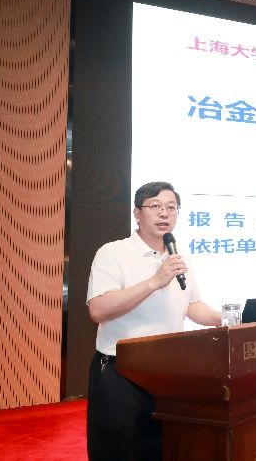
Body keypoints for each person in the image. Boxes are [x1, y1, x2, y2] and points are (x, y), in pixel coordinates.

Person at [86, 181, 221, 461]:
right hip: (121, 373)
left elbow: (191, 305)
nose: (164, 213)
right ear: (137, 213)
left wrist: (230, 319)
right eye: (155, 206)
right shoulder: (113, 253)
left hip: (169, 372)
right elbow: (98, 309)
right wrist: (154, 281)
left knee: (164, 448)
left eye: (171, 207)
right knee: (119, 451)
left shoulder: (177, 256)